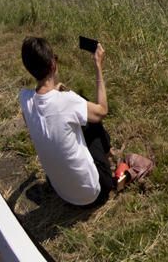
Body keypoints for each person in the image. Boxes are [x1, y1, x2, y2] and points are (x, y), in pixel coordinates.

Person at [19, 36, 117, 207]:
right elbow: (102, 111)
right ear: (52, 65)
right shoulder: (68, 101)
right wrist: (98, 66)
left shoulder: (24, 98)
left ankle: (108, 152)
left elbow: (36, 117)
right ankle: (108, 153)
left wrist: (53, 92)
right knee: (88, 114)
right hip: (95, 193)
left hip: (62, 192)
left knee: (78, 116)